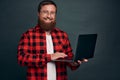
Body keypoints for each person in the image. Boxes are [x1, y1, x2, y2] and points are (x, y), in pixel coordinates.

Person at [17, 0, 88, 80]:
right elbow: (21, 59)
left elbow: (69, 60)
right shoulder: (28, 35)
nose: (49, 16)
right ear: (38, 13)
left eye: (52, 13)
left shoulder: (62, 35)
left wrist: (75, 62)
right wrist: (50, 57)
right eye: (45, 12)